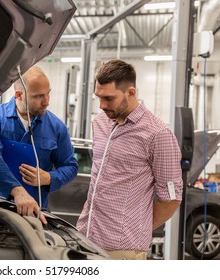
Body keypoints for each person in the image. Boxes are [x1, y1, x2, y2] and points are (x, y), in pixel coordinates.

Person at [76, 59, 183, 260]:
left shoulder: (157, 134)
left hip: (122, 249)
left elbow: (172, 198)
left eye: (108, 98)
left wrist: (135, 227)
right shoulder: (100, 123)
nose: (101, 105)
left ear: (131, 93)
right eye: (98, 97)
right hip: (85, 237)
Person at [0, 65, 78, 224]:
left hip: (35, 215)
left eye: (48, 94)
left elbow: (71, 166)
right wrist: (17, 192)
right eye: (39, 96)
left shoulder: (57, 128)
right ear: (19, 95)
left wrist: (49, 177)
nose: (47, 102)